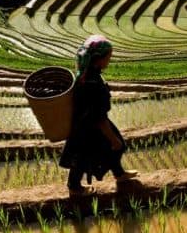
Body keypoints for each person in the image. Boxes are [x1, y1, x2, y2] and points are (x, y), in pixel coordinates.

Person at [59, 35, 137, 196]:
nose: (110, 59)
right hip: (89, 126)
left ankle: (119, 174)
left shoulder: (87, 74)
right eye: (108, 56)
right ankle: (74, 187)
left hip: (86, 122)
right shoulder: (92, 82)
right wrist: (111, 138)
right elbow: (98, 117)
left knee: (113, 147)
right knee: (84, 156)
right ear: (99, 59)